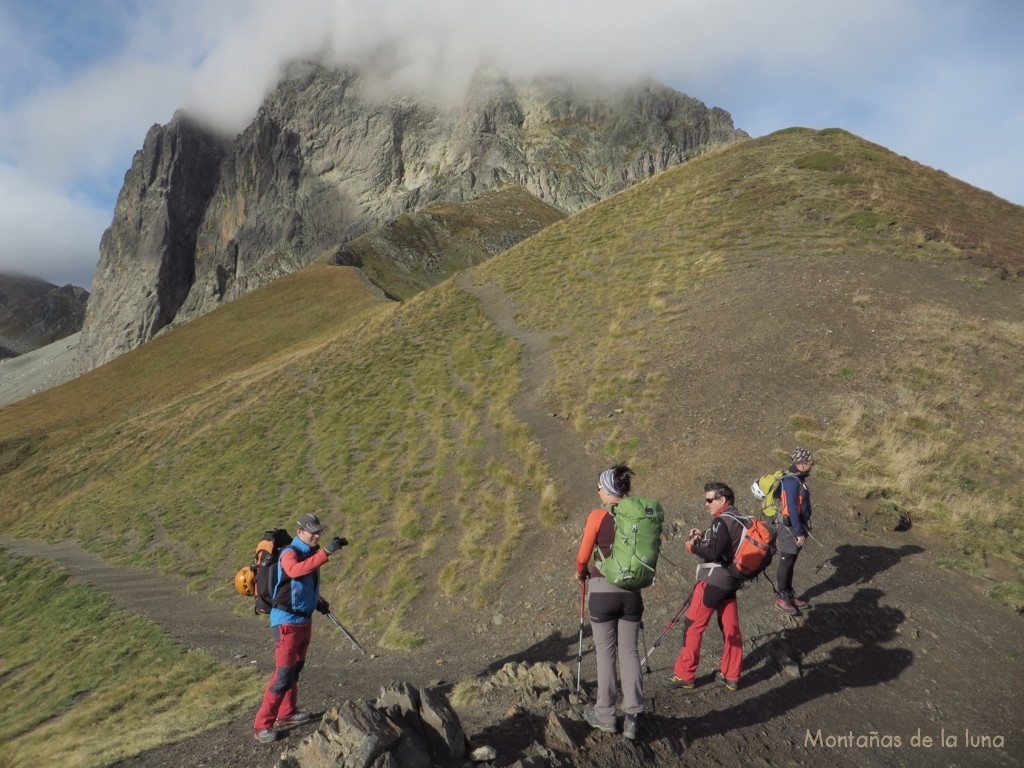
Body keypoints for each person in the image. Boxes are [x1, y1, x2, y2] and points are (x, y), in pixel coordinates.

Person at [253, 513, 347, 744]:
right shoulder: (289, 553)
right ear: (300, 532)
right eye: (312, 531)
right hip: (286, 622)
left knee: (295, 669)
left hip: (303, 620)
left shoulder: (308, 553)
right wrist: (327, 552)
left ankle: (287, 714)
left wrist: (317, 601)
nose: (316, 535)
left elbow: (300, 586)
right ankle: (262, 725)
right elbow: (294, 571)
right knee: (283, 673)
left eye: (318, 531)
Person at [575, 464, 644, 741]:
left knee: (606, 653)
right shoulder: (639, 514)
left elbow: (583, 556)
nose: (598, 490)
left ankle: (605, 715)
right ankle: (633, 716)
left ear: (609, 489)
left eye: (600, 486)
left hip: (603, 590)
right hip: (632, 593)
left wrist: (580, 572)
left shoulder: (597, 516)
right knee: (630, 652)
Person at [659, 482, 744, 691]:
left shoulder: (721, 522)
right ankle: (731, 675)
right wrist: (705, 534)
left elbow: (714, 553)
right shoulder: (739, 519)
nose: (706, 505)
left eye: (709, 500)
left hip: (712, 583)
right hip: (731, 582)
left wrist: (692, 547)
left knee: (693, 626)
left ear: (722, 500)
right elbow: (726, 544)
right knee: (730, 628)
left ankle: (684, 674)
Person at [775, 447, 815, 615]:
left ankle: (788, 595)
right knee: (786, 560)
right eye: (811, 463)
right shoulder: (791, 482)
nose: (813, 465)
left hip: (794, 525)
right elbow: (791, 508)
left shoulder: (797, 479)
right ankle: (781, 598)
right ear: (801, 464)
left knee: (790, 560)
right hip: (789, 527)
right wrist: (799, 532)